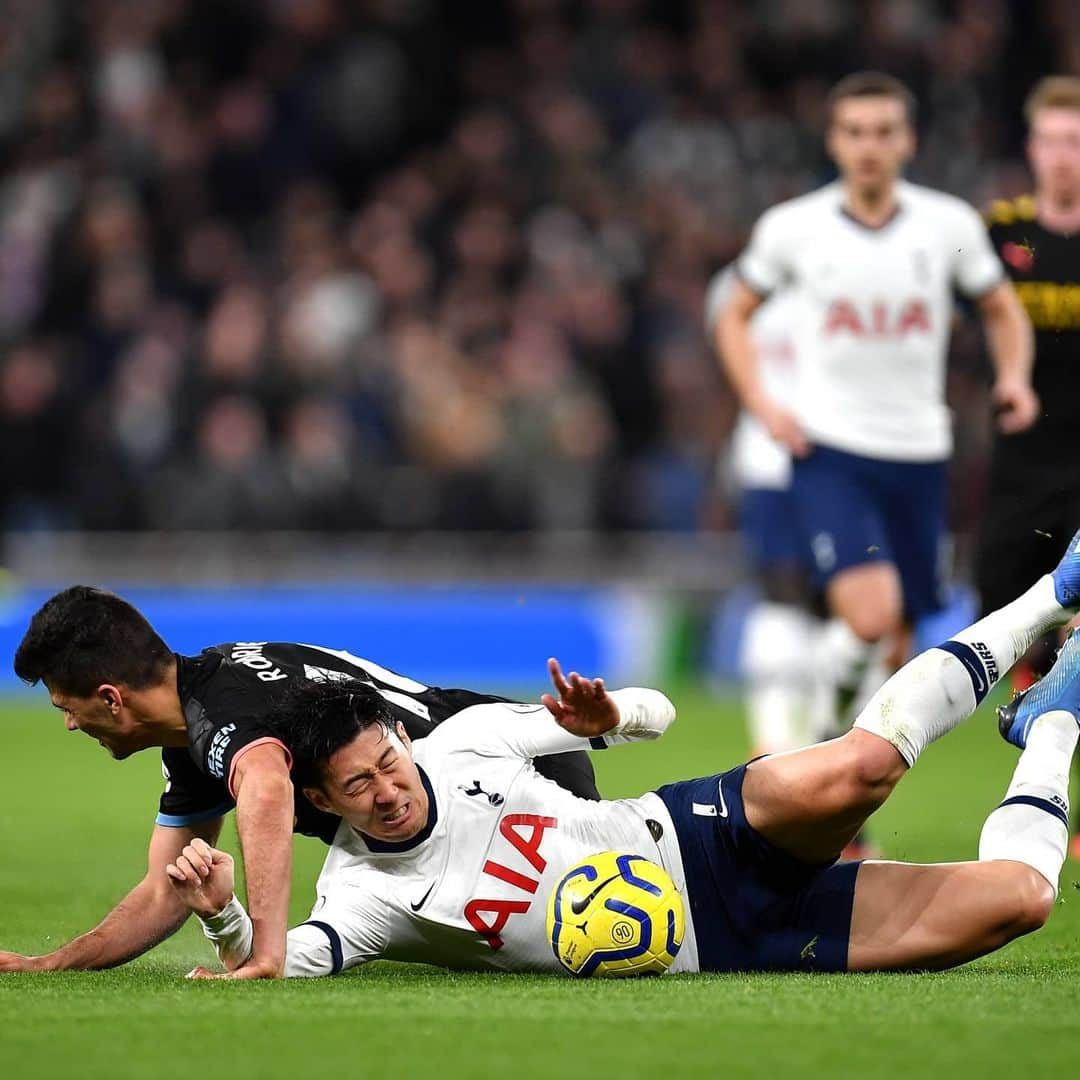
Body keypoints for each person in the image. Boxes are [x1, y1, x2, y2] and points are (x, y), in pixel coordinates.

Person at [172, 531, 1080, 977]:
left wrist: (609, 711)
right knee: (1022, 902)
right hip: (731, 944)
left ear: (402, 738)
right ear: (325, 803)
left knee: (862, 768)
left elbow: (659, 712)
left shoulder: (467, 743)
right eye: (356, 789)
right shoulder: (363, 896)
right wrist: (222, 917)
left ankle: (1053, 591)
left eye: (386, 764)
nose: (385, 793)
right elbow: (282, 961)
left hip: (698, 836)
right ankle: (1056, 718)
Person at [0, 587, 598, 978]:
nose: (71, 723)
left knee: (589, 938)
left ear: (110, 697)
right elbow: (165, 890)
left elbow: (264, 786)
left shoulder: (223, 715)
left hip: (513, 782)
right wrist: (52, 964)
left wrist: (266, 953)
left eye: (67, 707)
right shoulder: (198, 721)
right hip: (467, 801)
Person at [718, 71, 1036, 743]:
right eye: (855, 132)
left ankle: (831, 762)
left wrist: (1015, 378)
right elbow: (732, 315)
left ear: (908, 141)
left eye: (884, 132)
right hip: (829, 450)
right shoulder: (793, 228)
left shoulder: (946, 224)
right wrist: (762, 403)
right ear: (833, 142)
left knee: (896, 639)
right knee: (868, 616)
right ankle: (817, 750)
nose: (869, 146)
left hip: (920, 455)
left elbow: (1002, 308)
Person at [977, 76, 1080, 691]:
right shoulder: (998, 233)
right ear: (1032, 149)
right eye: (1050, 141)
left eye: (1074, 140)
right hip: (1021, 451)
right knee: (1002, 605)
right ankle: (1037, 710)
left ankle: (1058, 721)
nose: (1062, 155)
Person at [705, 267, 823, 757]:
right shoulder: (737, 286)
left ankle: (801, 737)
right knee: (787, 594)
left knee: (819, 603)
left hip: (819, 462)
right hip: (774, 459)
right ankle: (775, 738)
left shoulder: (730, 287)